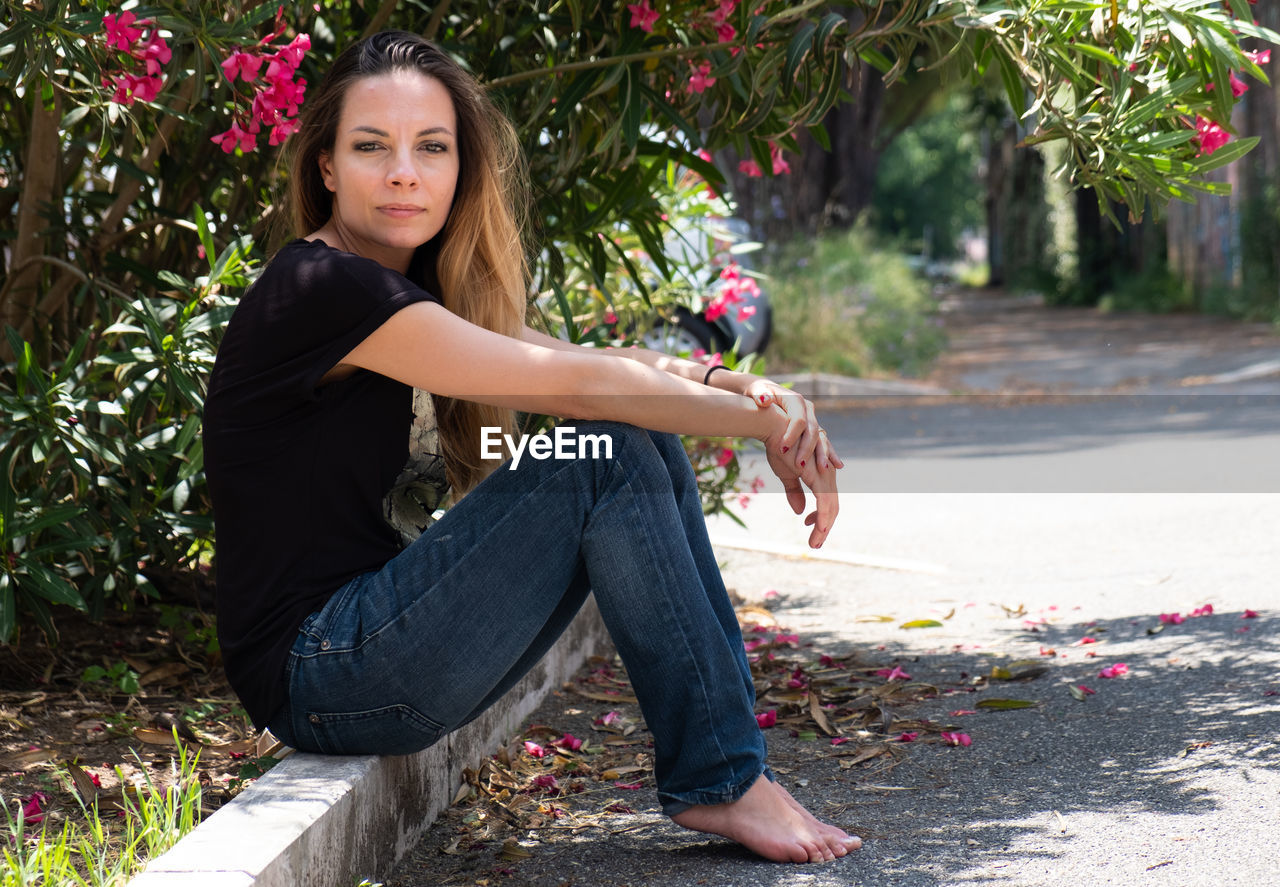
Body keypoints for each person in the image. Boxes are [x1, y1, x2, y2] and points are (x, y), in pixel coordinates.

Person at [202, 30, 860, 864]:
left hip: (364, 647)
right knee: (607, 450)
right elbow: (570, 387)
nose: (404, 169)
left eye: (431, 147)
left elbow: (584, 360)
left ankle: (729, 773)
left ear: (460, 167)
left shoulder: (402, 290)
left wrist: (735, 384)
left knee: (625, 444)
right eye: (372, 146)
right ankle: (725, 779)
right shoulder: (323, 289)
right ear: (326, 167)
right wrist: (771, 429)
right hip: (322, 668)